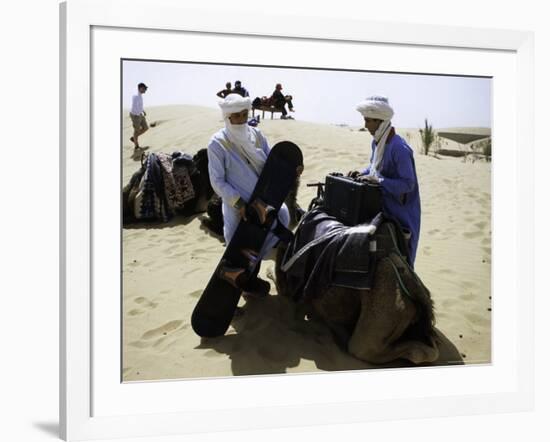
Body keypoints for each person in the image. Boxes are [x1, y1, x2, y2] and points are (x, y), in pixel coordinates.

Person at [207, 94, 290, 295]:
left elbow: (273, 164)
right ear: (228, 117)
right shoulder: (218, 143)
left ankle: (248, 279)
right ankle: (236, 282)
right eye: (237, 116)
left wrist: (291, 170)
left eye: (245, 114)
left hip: (264, 203)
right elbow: (217, 181)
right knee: (238, 247)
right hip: (238, 206)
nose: (242, 119)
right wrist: (238, 203)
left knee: (281, 219)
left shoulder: (257, 136)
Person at [350, 95, 421, 267]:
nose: (365, 125)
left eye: (368, 120)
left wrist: (379, 181)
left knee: (402, 262)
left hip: (401, 212)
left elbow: (408, 184)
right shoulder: (377, 142)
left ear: (380, 121)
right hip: (382, 204)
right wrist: (361, 173)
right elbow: (374, 167)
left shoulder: (399, 148)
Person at [129, 82, 149, 150]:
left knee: (146, 128)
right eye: (144, 88)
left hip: (140, 114)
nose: (145, 90)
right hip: (135, 115)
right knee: (136, 130)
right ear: (140, 88)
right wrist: (137, 119)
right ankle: (136, 145)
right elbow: (134, 107)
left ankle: (134, 138)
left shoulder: (140, 95)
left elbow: (140, 105)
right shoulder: (136, 96)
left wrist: (143, 111)